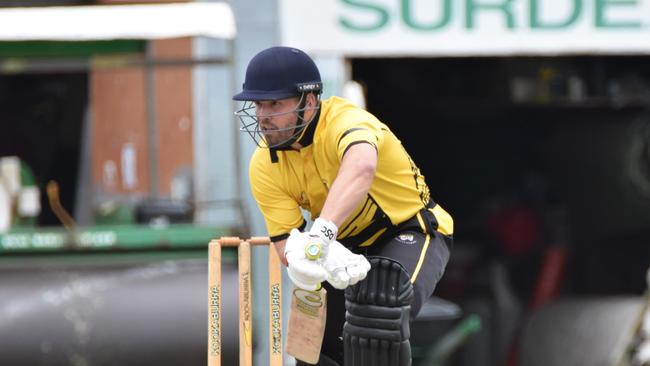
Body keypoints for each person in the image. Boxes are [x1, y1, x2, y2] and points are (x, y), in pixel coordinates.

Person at [233, 46, 453, 366]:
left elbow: (361, 167)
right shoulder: (264, 165)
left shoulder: (345, 120)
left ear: (308, 102)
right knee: (315, 349)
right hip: (340, 244)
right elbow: (286, 245)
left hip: (409, 229)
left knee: (381, 308)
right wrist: (306, 263)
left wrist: (320, 234)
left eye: (275, 104)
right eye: (258, 105)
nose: (262, 117)